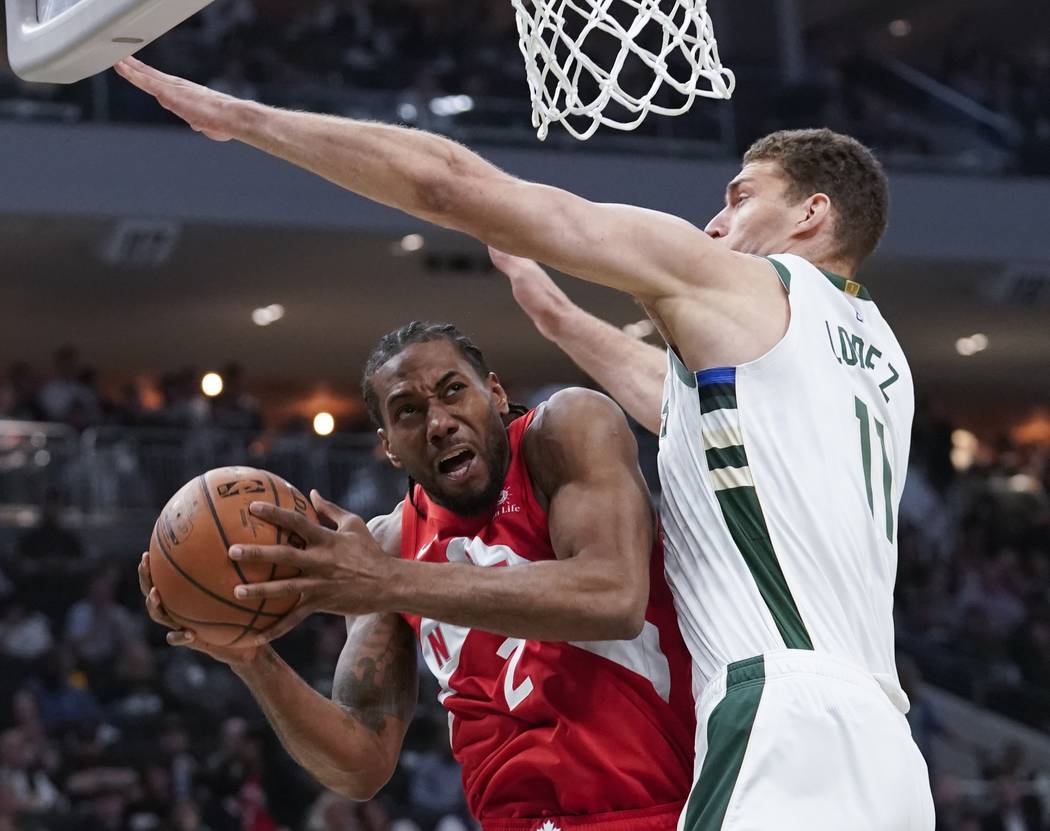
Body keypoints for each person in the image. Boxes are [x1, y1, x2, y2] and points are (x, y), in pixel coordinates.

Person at [117, 57, 933, 828]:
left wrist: (238, 116)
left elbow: (450, 183)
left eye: (740, 196)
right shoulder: (877, 361)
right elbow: (681, 406)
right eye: (409, 410)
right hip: (883, 743)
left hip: (779, 715)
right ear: (387, 441)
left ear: (810, 213)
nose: (715, 221)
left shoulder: (740, 288)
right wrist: (556, 316)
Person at [140, 322, 696, 829]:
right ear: (388, 447)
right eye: (407, 411)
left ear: (495, 394)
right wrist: (253, 659)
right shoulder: (387, 544)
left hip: (662, 809)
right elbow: (361, 764)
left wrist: (385, 580)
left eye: (453, 390)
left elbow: (614, 597)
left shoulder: (565, 433)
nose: (438, 423)